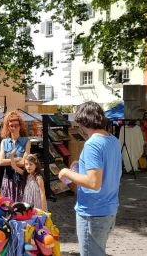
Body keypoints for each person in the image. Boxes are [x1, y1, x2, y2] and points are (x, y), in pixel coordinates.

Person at [58, 101, 122, 256]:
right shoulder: (112, 139)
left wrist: (67, 172)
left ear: (82, 121)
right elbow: (107, 169)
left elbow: (94, 183)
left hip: (92, 212)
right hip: (108, 208)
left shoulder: (92, 144)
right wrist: (81, 164)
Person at [0, 110, 31, 202]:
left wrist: (8, 161)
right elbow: (0, 162)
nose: (14, 128)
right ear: (8, 127)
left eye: (16, 125)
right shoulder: (4, 142)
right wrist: (17, 159)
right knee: (7, 206)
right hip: (8, 180)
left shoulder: (26, 141)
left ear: (20, 126)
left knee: (21, 207)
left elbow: (25, 163)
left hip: (21, 179)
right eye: (11, 126)